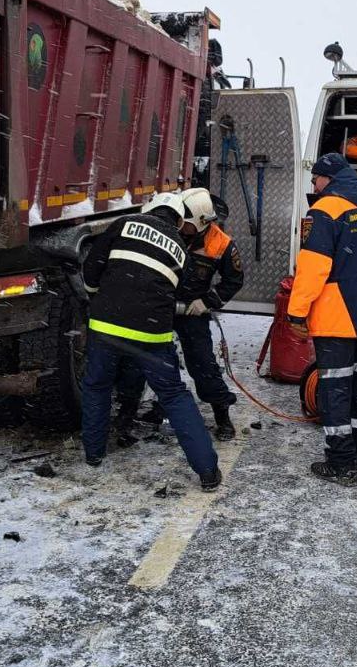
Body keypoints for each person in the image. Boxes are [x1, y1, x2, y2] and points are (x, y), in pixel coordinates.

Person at [81, 192, 222, 491]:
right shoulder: (182, 250)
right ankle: (208, 471)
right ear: (179, 220)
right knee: (173, 395)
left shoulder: (123, 223)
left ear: (149, 209)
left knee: (97, 386)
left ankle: (93, 454)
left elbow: (92, 267)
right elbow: (181, 291)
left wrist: (99, 294)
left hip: (106, 324)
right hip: (152, 333)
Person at [287, 153, 357, 485]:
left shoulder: (323, 212)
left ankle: (340, 462)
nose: (314, 186)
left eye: (315, 179)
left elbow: (314, 267)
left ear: (327, 179)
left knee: (334, 388)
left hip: (335, 316)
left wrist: (297, 310)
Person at [121, 188, 244, 441]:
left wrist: (207, 301)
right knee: (142, 359)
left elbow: (234, 280)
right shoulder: (167, 232)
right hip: (159, 306)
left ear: (201, 223)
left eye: (185, 223)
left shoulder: (220, 244)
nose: (180, 226)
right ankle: (131, 412)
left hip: (192, 309)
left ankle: (222, 415)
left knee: (202, 363)